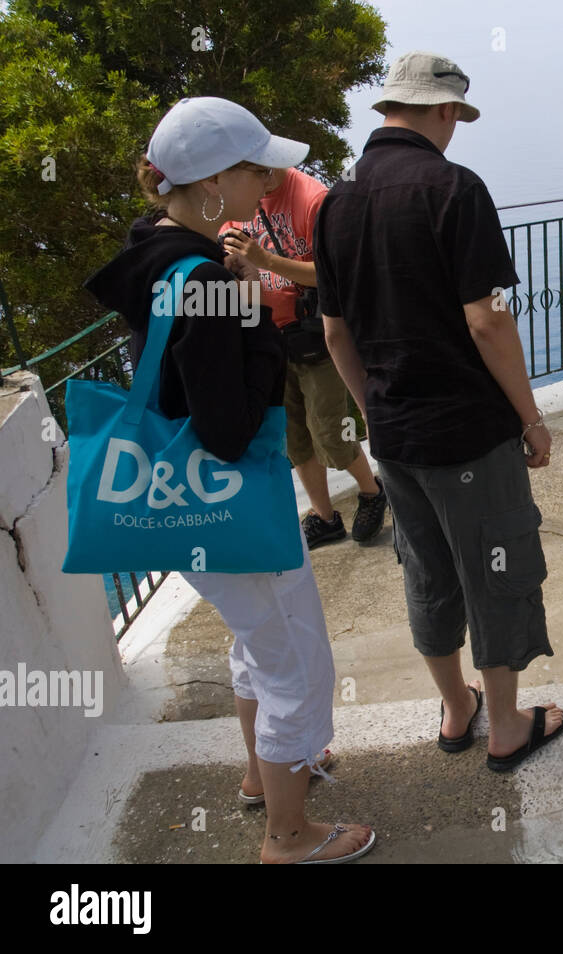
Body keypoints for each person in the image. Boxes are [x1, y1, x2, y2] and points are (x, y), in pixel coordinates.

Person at [84, 96, 374, 862]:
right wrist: (259, 328)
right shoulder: (209, 282)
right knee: (298, 668)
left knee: (257, 642)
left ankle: (261, 775)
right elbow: (229, 427)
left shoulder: (152, 246)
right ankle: (288, 835)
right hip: (232, 506)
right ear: (214, 182)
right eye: (255, 168)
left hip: (186, 513)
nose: (269, 179)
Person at [314, 52, 563, 771]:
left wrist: (377, 413)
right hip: (467, 434)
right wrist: (531, 420)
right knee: (497, 569)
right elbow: (488, 321)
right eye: (457, 115)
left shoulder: (336, 199)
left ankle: (457, 709)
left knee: (425, 573)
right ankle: (508, 727)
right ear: (445, 111)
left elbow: (335, 333)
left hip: (393, 437)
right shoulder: (454, 189)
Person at [220, 168, 389, 549]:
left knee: (331, 430)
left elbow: (336, 273)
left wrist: (265, 260)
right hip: (268, 334)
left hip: (315, 335)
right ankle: (324, 517)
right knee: (293, 436)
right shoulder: (237, 199)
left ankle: (371, 490)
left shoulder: (312, 199)